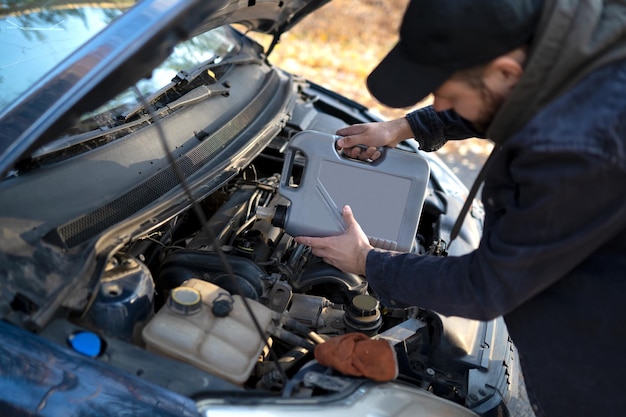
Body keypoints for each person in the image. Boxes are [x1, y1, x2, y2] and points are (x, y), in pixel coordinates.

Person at [294, 0, 626, 416]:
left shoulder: (578, 149)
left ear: (507, 72)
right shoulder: (579, 48)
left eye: (448, 95)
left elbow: (487, 285)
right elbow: (502, 97)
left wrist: (366, 260)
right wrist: (406, 126)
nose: (442, 104)